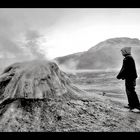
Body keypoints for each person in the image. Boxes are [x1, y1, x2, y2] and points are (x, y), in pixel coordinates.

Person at [116, 47, 140, 111]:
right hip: (131, 77)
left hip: (130, 78)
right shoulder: (129, 58)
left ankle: (136, 106)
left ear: (125, 51)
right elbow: (127, 69)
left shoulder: (127, 58)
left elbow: (124, 69)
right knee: (130, 91)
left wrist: (119, 76)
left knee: (130, 91)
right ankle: (132, 105)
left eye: (122, 52)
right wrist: (122, 76)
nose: (122, 53)